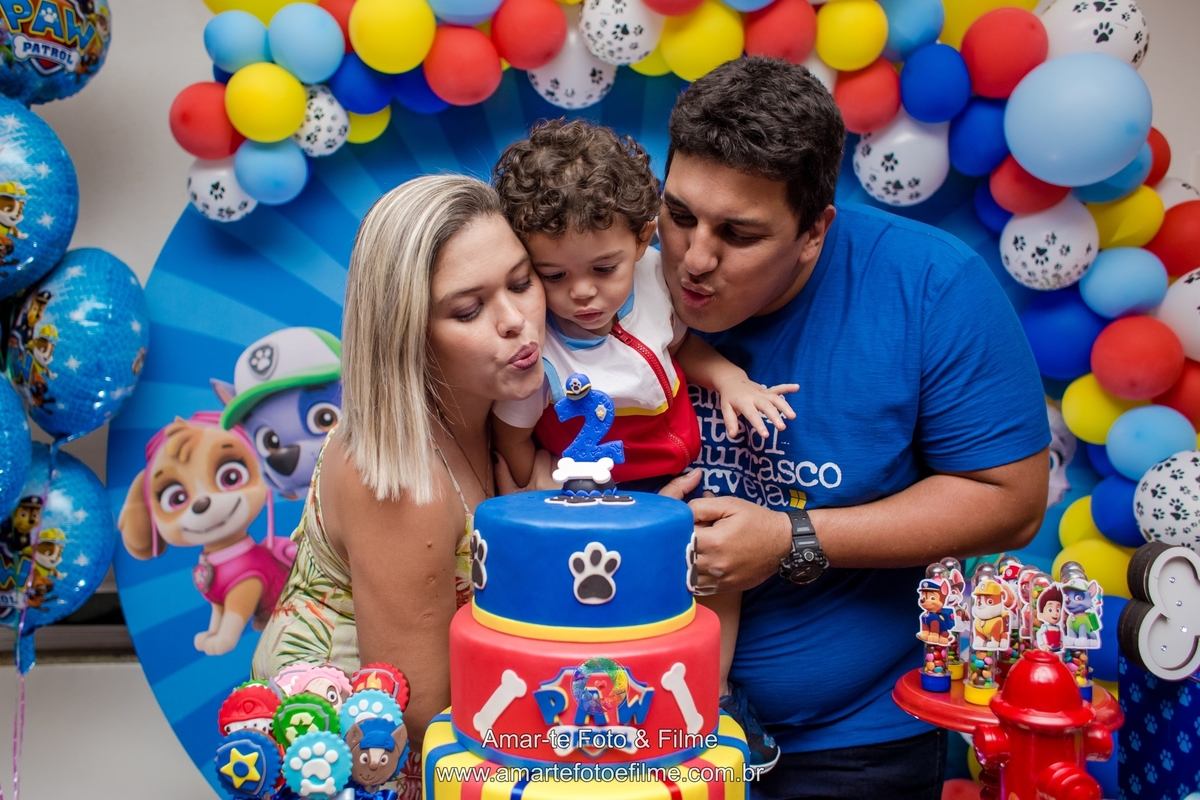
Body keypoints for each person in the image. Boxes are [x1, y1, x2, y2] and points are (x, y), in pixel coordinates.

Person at [657, 58, 1051, 799]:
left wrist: (792, 540)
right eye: (678, 215)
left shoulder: (932, 287)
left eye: (739, 235)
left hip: (855, 740)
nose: (694, 260)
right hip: (631, 711)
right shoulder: (618, 279)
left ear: (814, 232)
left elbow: (1013, 499)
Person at [489, 119, 796, 770]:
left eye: (605, 268)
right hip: (586, 488)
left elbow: (682, 346)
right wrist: (528, 483)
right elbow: (514, 427)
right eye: (553, 274)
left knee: (717, 574)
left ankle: (713, 695)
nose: (581, 293)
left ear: (644, 239)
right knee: (609, 601)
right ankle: (599, 719)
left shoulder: (658, 282)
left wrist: (732, 381)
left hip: (673, 477)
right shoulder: (534, 343)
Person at [251, 175, 546, 800]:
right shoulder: (404, 482)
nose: (516, 320)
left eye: (521, 282)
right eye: (469, 310)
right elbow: (425, 713)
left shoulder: (500, 411)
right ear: (405, 334)